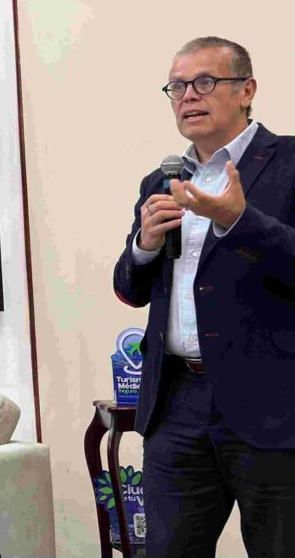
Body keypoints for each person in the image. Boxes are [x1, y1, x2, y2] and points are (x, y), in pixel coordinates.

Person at [114, 36, 295, 556]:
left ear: (247, 91)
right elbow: (129, 289)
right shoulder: (162, 179)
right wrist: (144, 246)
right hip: (177, 406)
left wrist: (240, 221)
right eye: (177, 87)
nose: (188, 95)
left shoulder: (288, 162)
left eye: (205, 82)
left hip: (273, 405)